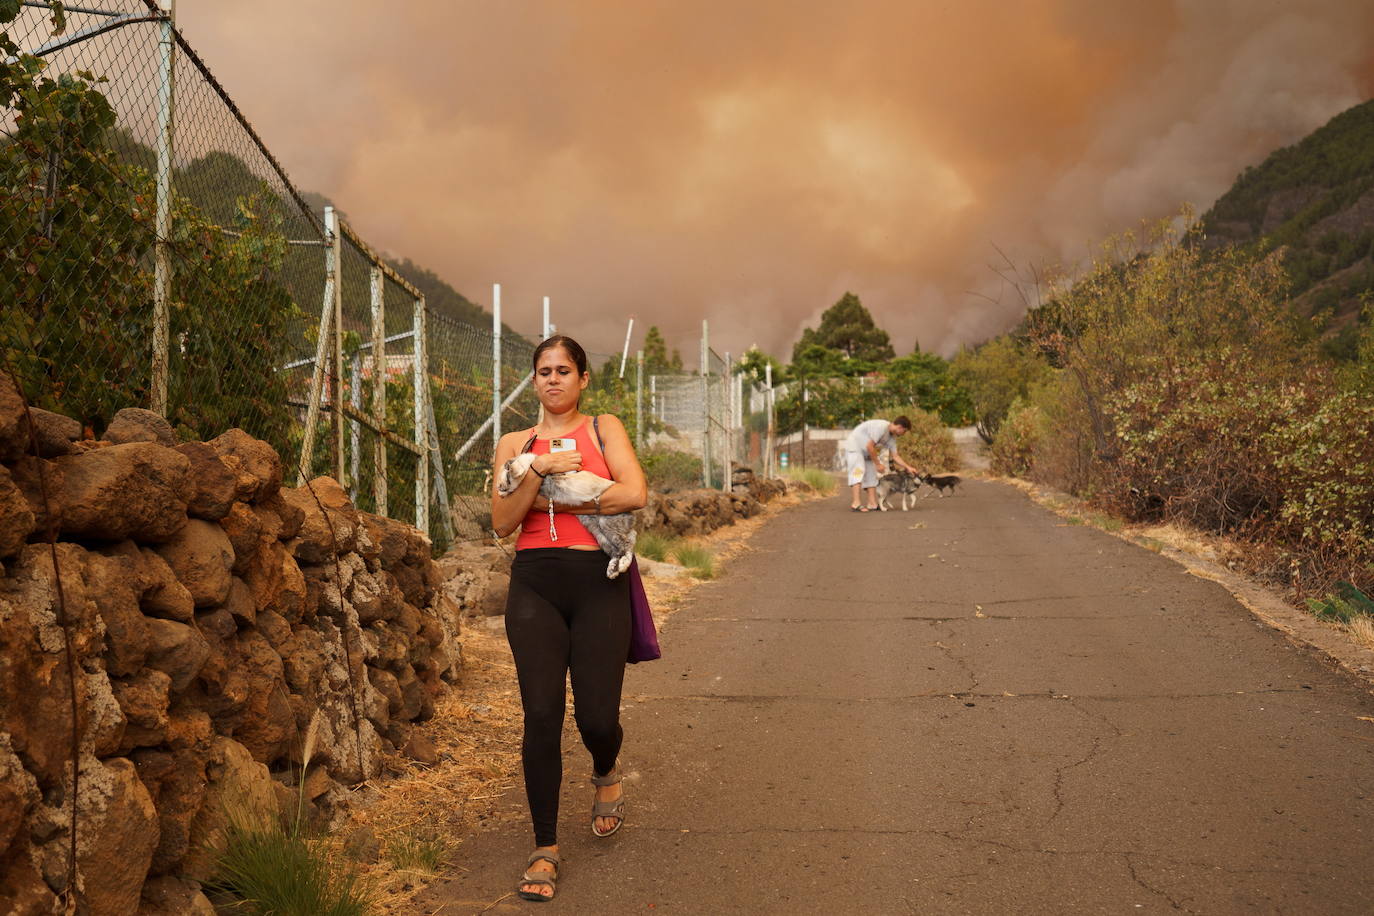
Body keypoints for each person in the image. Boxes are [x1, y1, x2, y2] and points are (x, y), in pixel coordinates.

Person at [490, 335, 649, 902]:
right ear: (533, 381)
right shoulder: (514, 441)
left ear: (583, 379)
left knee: (597, 719)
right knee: (540, 713)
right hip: (534, 585)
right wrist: (541, 470)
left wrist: (560, 495)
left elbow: (634, 493)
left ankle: (606, 771)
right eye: (543, 371)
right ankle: (545, 847)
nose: (553, 379)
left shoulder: (605, 428)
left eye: (564, 370)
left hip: (597, 585)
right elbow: (503, 520)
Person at [844, 416, 917, 511]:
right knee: (858, 472)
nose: (903, 434)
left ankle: (872, 504)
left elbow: (895, 456)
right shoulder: (881, 427)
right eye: (904, 431)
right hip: (855, 447)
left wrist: (908, 467)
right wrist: (878, 464)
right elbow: (870, 446)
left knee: (871, 475)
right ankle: (856, 504)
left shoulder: (891, 438)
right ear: (900, 427)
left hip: (866, 452)